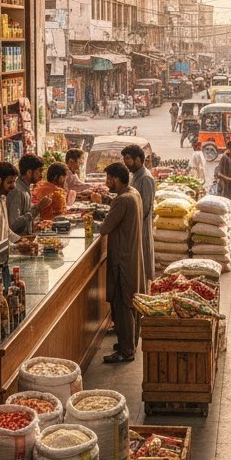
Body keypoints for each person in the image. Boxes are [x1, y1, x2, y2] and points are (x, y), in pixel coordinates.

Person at [98, 162, 145, 363]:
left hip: (122, 259)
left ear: (116, 179)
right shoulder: (133, 193)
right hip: (131, 256)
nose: (106, 183)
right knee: (129, 303)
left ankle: (126, 351)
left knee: (123, 303)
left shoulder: (122, 200)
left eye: (108, 179)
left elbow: (104, 228)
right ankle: (130, 342)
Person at [122, 144, 156, 285]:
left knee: (143, 267)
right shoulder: (135, 175)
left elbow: (145, 208)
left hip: (141, 229)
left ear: (138, 159)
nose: (126, 163)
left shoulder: (145, 178)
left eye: (128, 159)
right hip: (134, 227)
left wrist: (128, 220)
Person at [8, 153, 49, 242]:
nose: (42, 175)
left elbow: (26, 214)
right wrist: (38, 208)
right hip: (19, 242)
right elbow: (14, 224)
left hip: (26, 239)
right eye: (39, 171)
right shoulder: (17, 191)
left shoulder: (25, 187)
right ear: (29, 172)